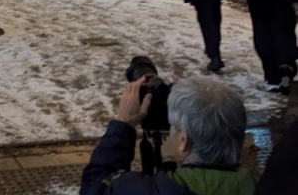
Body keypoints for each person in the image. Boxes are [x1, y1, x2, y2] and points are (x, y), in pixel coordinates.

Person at [80, 76, 257, 194]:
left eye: (174, 128)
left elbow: (94, 187)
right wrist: (203, 96)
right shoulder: (264, 185)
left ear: (184, 141)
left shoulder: (154, 189)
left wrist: (123, 125)